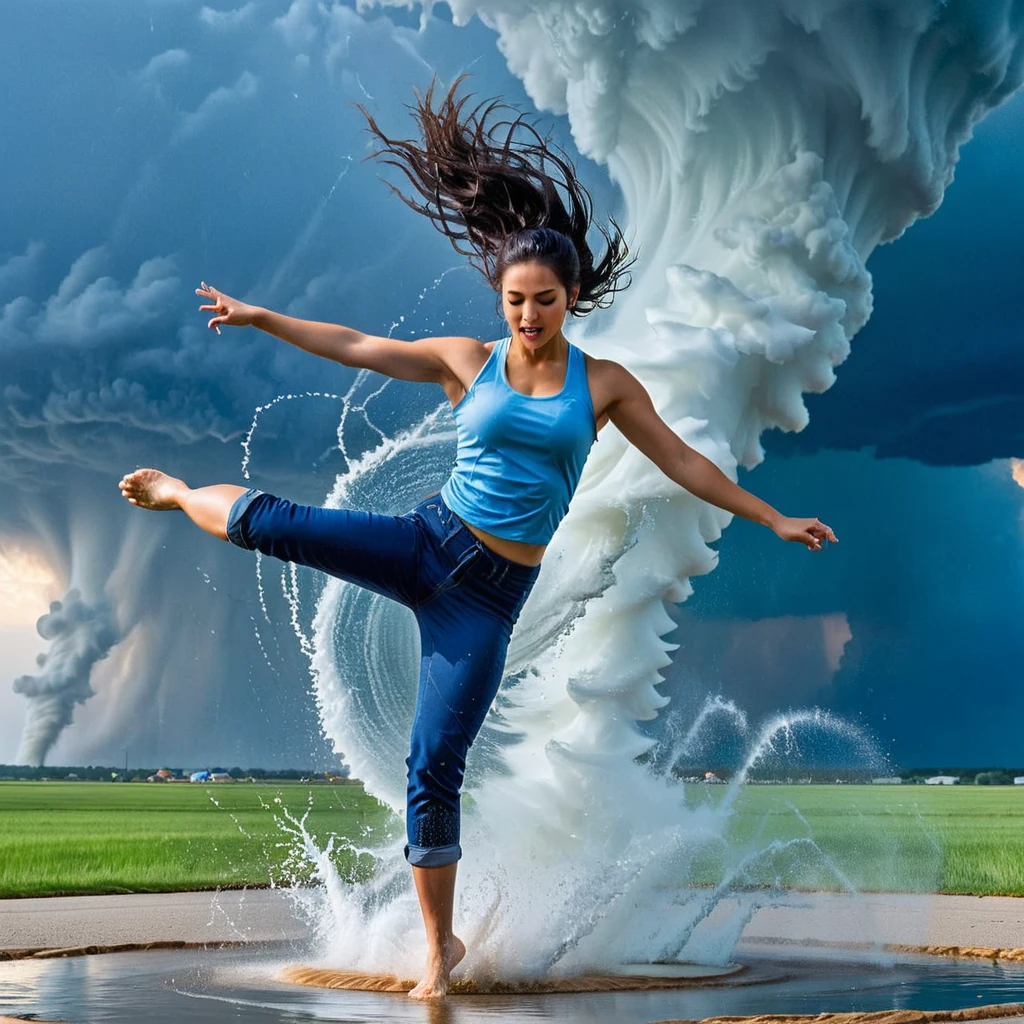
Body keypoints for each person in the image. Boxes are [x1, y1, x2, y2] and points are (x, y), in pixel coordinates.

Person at [119, 80, 837, 999]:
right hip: (426, 542)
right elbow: (358, 345)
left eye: (542, 299)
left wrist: (771, 515)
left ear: (571, 297)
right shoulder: (470, 360)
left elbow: (684, 462)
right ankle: (179, 490)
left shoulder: (605, 384)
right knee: (276, 526)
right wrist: (262, 317)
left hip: (486, 599)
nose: (527, 315)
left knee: (434, 766)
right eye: (513, 300)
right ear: (499, 300)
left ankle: (438, 950)